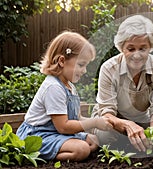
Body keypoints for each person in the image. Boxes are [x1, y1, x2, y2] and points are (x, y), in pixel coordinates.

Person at [91, 15, 153, 153]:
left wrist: (151, 133)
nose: (137, 55)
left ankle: (133, 143)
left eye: (142, 48)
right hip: (112, 121)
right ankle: (135, 144)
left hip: (143, 121)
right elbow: (106, 112)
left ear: (150, 47)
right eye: (131, 49)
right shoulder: (109, 68)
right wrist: (127, 125)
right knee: (105, 137)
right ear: (122, 47)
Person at [16, 31, 113, 161]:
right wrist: (94, 122)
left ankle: (67, 150)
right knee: (82, 149)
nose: (84, 71)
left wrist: (96, 122)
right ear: (62, 61)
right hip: (38, 136)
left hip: (56, 134)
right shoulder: (53, 87)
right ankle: (32, 155)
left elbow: (77, 119)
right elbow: (63, 126)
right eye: (81, 65)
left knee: (93, 141)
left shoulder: (69, 86)